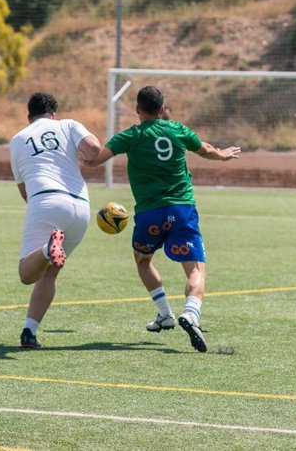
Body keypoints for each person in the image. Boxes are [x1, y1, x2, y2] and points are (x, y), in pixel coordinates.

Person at [86, 86, 241, 352]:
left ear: (137, 110)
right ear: (162, 110)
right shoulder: (177, 129)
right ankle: (190, 314)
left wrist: (82, 158)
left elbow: (96, 159)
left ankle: (165, 313)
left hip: (149, 214)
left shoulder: (130, 136)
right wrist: (222, 155)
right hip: (182, 210)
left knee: (143, 260)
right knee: (195, 269)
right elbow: (204, 149)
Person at [9, 92, 101, 349]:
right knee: (49, 273)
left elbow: (24, 191)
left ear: (29, 117)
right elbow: (94, 148)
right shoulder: (68, 125)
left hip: (47, 202)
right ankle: (29, 331)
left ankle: (47, 248)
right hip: (81, 207)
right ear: (53, 113)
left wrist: (44, 212)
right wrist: (86, 159)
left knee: (27, 275)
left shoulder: (18, 139)